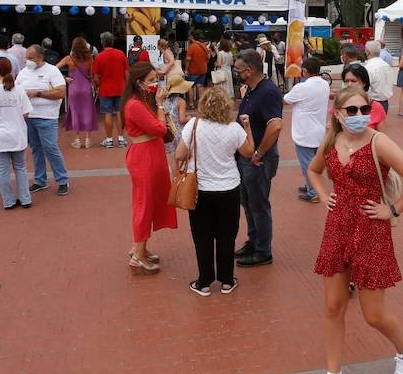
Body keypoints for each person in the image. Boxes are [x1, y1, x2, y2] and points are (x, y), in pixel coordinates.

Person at [304, 85, 403, 374]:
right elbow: (313, 170)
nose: (360, 116)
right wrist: (322, 196)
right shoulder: (331, 141)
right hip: (337, 228)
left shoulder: (379, 142)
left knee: (372, 314)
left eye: (365, 110)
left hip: (371, 231)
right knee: (333, 307)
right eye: (352, 111)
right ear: (337, 114)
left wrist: (393, 209)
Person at [175, 87, 255, 295]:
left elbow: (179, 154)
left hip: (200, 188)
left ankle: (204, 281)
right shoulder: (234, 129)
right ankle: (227, 280)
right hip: (228, 187)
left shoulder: (193, 125)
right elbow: (248, 152)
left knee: (202, 236)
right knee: (226, 235)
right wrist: (248, 128)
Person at [231, 48, 284, 267]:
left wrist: (259, 152)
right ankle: (254, 241)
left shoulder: (268, 92)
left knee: (258, 203)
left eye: (238, 70)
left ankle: (263, 250)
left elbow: (275, 126)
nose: (235, 73)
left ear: (249, 70)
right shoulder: (253, 89)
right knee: (248, 202)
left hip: (259, 158)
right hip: (247, 156)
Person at [122, 62, 176, 273]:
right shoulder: (135, 104)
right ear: (139, 83)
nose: (155, 84)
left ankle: (140, 248)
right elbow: (159, 128)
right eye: (151, 80)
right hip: (144, 157)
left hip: (151, 154)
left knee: (150, 202)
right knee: (144, 204)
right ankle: (137, 252)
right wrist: (161, 106)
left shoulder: (141, 101)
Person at [17, 45, 69, 197]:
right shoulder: (23, 72)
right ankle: (40, 180)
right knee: (36, 148)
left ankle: (62, 180)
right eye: (27, 57)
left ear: (40, 57)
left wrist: (38, 93)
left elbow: (60, 92)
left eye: (31, 58)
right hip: (28, 117)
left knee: (51, 148)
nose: (28, 61)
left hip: (47, 116)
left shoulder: (52, 71)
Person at [0, 57, 32, 210]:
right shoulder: (19, 89)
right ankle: (25, 199)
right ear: (11, 69)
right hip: (17, 133)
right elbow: (26, 113)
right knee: (20, 167)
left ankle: (8, 201)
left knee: (3, 169)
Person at [284, 56, 330, 203]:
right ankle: (311, 185)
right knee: (314, 162)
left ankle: (313, 192)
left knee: (307, 164)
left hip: (304, 133)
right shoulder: (324, 84)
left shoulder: (301, 87)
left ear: (304, 70)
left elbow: (285, 100)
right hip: (319, 130)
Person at [57, 37, 97, 149]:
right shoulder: (90, 58)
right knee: (88, 112)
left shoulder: (69, 59)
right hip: (86, 88)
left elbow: (54, 69)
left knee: (75, 112)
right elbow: (92, 75)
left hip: (73, 87)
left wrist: (64, 78)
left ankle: (77, 139)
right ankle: (88, 139)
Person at [93, 32, 129, 148]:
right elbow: (126, 72)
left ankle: (109, 139)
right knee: (119, 112)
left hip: (105, 89)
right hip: (120, 88)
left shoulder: (99, 56)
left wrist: (98, 85)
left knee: (107, 113)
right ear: (112, 41)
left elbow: (95, 76)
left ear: (102, 42)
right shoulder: (121, 54)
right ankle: (121, 138)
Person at [343, 64, 387, 129]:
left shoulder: (376, 108)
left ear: (364, 83)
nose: (349, 85)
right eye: (346, 81)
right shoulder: (340, 105)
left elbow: (382, 137)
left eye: (353, 81)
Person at [161, 77, 192, 170]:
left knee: (174, 157)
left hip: (170, 131)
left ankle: (175, 179)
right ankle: (184, 178)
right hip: (180, 132)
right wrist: (190, 118)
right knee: (186, 156)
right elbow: (182, 119)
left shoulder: (164, 100)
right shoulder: (181, 101)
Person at [361, 41, 394, 122]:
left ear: (367, 52)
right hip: (385, 102)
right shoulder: (386, 66)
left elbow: (365, 88)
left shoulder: (369, 67)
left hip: (372, 102)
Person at [185, 33, 210, 100]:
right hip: (203, 70)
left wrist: (186, 69)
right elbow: (208, 57)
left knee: (191, 86)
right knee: (200, 86)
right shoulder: (204, 46)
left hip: (193, 70)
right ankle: (201, 104)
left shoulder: (192, 46)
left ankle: (191, 104)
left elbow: (188, 59)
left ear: (192, 38)